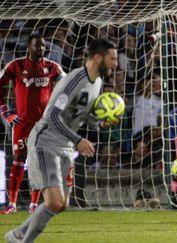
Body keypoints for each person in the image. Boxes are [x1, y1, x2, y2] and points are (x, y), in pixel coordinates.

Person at [4, 38, 118, 243]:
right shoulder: (75, 80)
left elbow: (81, 116)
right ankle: (22, 240)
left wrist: (100, 124)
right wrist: (78, 140)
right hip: (45, 140)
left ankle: (17, 235)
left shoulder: (98, 83)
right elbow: (54, 117)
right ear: (98, 58)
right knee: (54, 201)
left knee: (62, 203)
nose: (115, 64)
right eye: (112, 59)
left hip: (64, 145)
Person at [0, 34, 65, 214]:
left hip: (43, 124)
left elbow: (67, 87)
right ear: (29, 47)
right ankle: (12, 204)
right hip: (22, 123)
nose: (41, 49)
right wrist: (6, 112)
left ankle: (34, 206)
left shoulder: (52, 67)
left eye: (43, 46)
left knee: (38, 162)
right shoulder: (16, 65)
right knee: (18, 161)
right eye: (37, 46)